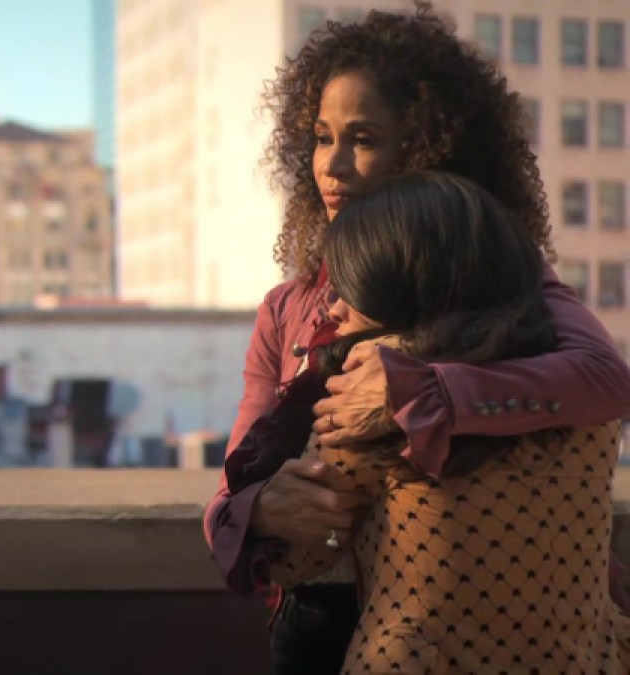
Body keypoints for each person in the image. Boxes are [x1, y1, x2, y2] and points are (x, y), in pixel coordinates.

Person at [202, 4, 630, 673]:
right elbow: (233, 484)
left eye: (364, 137)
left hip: (478, 622)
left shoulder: (506, 279)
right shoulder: (286, 308)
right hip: (316, 617)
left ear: (428, 147)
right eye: (320, 136)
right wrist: (258, 508)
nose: (332, 165)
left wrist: (426, 391)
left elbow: (605, 380)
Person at [254, 170, 630, 672]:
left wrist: (282, 514)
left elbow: (297, 561)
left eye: (351, 284)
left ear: (403, 283)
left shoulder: (368, 400)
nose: (334, 308)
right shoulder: (575, 395)